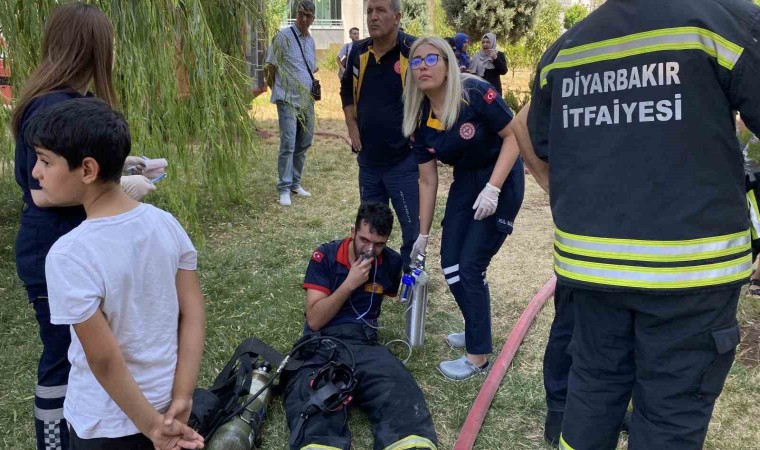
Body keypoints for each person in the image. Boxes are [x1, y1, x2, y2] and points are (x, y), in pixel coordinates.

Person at [526, 0, 760, 448]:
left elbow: (542, 141)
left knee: (592, 390)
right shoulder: (721, 21)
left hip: (592, 270)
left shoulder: (565, 51)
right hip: (690, 275)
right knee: (670, 416)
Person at [9, 4, 154, 448]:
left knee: (73, 351)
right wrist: (123, 188)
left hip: (57, 243)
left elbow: (71, 170)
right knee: (62, 355)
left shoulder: (44, 98)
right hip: (55, 246)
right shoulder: (56, 105)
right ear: (94, 49)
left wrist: (120, 165)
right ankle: (53, 442)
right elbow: (41, 190)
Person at [26, 98, 205, 450]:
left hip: (105, 422)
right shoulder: (165, 223)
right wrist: (183, 396)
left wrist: (152, 427)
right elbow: (194, 312)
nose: (35, 172)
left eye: (45, 161)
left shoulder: (69, 254)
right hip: (166, 404)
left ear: (87, 169)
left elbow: (103, 358)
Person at [402, 36, 525, 380]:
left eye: (431, 59)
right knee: (451, 263)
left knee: (470, 265)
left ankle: (477, 356)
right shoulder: (418, 118)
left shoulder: (475, 92)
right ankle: (476, 327)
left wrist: (493, 188)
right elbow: (427, 181)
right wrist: (423, 235)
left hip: (501, 176)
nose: (423, 67)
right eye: (416, 61)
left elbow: (514, 136)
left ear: (447, 63)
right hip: (466, 180)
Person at [283, 202, 438, 450]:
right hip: (322, 341)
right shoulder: (326, 256)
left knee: (397, 384)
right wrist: (349, 284)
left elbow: (388, 293)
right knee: (313, 391)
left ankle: (408, 443)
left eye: (379, 244)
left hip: (364, 342)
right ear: (352, 231)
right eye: (364, 240)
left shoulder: (390, 262)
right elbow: (314, 320)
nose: (370, 250)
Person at [340, 0, 419, 268]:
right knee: (370, 230)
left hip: (404, 162)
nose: (373, 17)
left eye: (380, 11)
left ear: (397, 17)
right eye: (370, 11)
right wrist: (351, 126)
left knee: (412, 230)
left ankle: (411, 281)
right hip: (369, 162)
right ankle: (369, 278)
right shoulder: (358, 51)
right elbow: (345, 90)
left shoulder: (412, 50)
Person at [265, 0, 318, 207]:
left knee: (304, 142)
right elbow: (270, 66)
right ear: (296, 14)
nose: (304, 19)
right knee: (288, 143)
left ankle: (295, 183)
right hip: (287, 99)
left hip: (307, 101)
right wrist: (277, 90)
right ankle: (284, 188)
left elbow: (310, 69)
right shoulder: (283, 37)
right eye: (301, 14)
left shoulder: (311, 41)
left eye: (308, 16)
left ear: (313, 18)